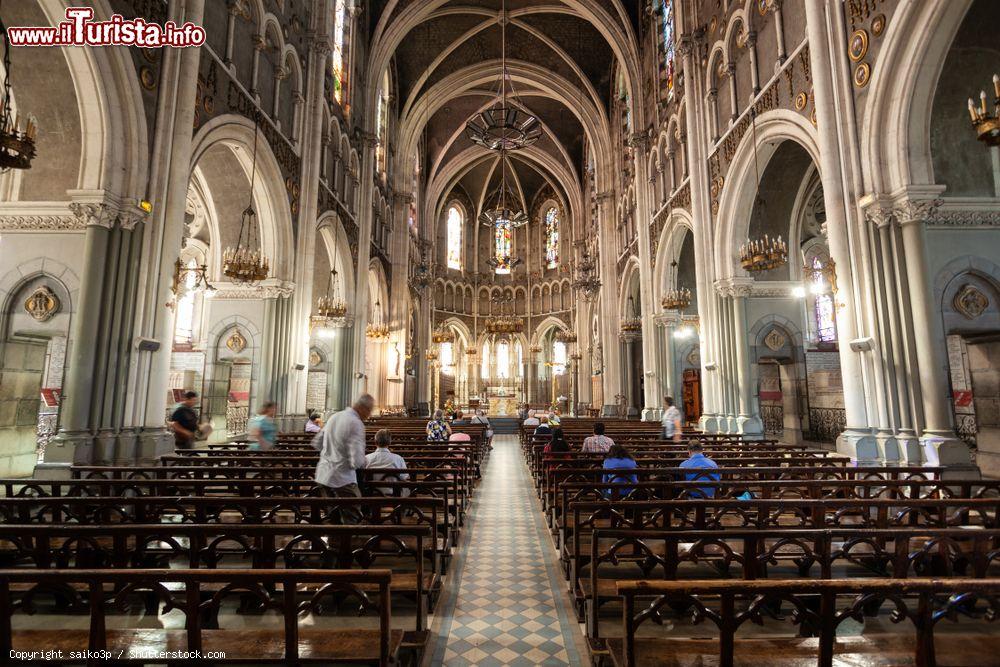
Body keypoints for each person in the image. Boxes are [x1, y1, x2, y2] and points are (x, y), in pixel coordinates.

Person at [314, 394, 375, 496]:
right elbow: (356, 461)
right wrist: (366, 462)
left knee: (331, 510)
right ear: (362, 408)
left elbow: (318, 442)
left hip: (323, 475)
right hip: (342, 479)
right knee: (353, 508)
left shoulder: (335, 416)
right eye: (369, 410)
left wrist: (330, 454)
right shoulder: (355, 423)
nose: (369, 415)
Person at [365, 429, 410, 497]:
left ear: (375, 442)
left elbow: (362, 477)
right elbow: (405, 476)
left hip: (372, 494)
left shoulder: (366, 458)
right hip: (394, 494)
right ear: (389, 442)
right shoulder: (398, 458)